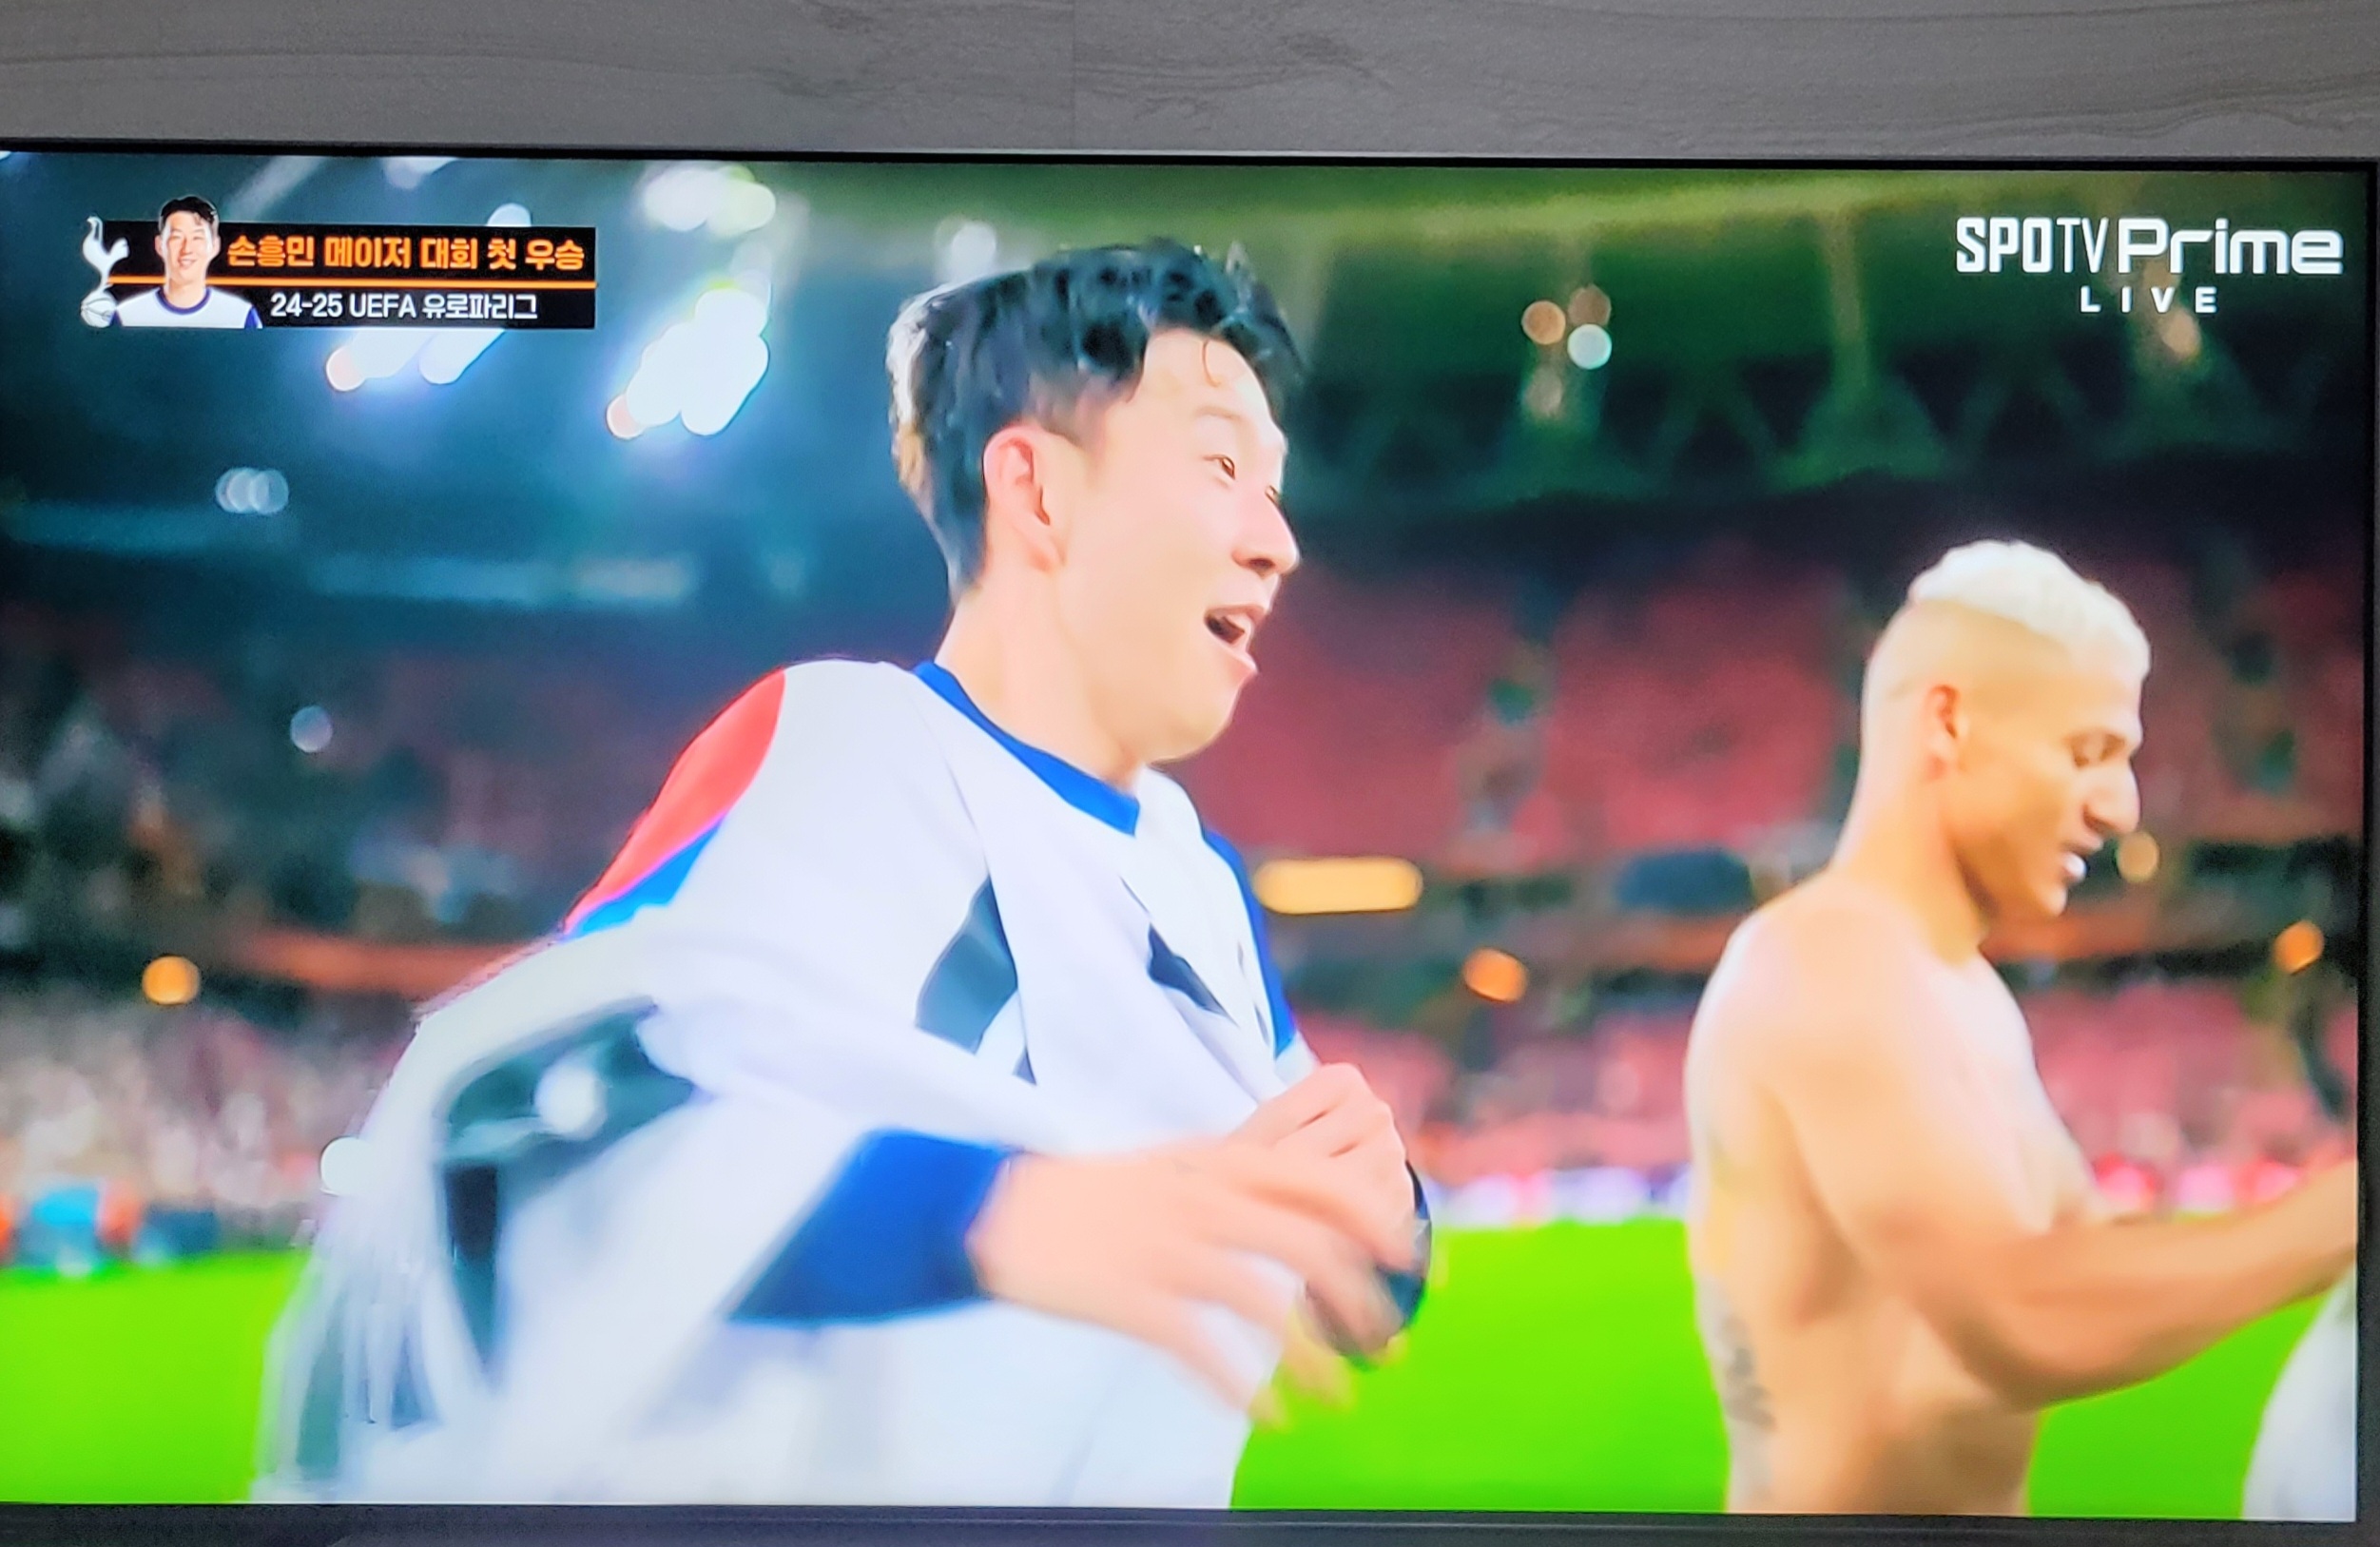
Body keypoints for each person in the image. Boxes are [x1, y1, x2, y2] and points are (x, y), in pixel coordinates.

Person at [261, 241, 1425, 1506]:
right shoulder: (847, 745)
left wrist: (1385, 1214)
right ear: (1037, 493)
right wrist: (983, 1209)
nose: (1277, 541)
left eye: (1274, 488)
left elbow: (1322, 1228)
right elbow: (556, 1113)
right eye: (1219, 468)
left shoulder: (1197, 879)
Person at [1682, 540, 2358, 1514]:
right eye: (2086, 752)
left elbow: (2082, 1259)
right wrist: (2340, 1213)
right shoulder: (1824, 961)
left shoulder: (1957, 989)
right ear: (1947, 723)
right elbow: (2023, 1315)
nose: (2120, 807)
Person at [114, 196, 259, 329]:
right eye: (177, 237)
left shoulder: (240, 317)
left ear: (215, 246)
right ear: (159, 245)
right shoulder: (127, 317)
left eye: (197, 238)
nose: (187, 249)